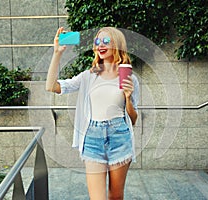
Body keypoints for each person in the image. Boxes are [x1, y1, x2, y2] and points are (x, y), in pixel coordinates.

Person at [46, 26, 140, 200]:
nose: (100, 45)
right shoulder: (89, 76)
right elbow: (52, 86)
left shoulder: (130, 78)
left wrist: (127, 97)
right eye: (97, 41)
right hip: (92, 139)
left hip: (120, 137)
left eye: (106, 41)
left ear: (117, 45)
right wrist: (57, 53)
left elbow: (133, 119)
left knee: (116, 196)